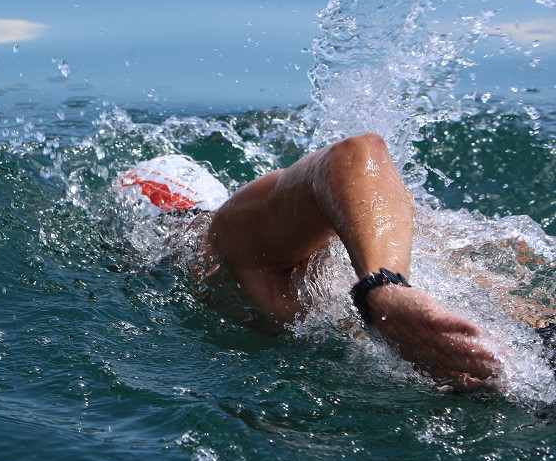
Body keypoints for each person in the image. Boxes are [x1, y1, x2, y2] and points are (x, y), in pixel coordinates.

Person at [117, 133, 551, 392]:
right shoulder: (403, 222)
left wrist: (384, 289)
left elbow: (355, 151)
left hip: (507, 368)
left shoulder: (219, 241)